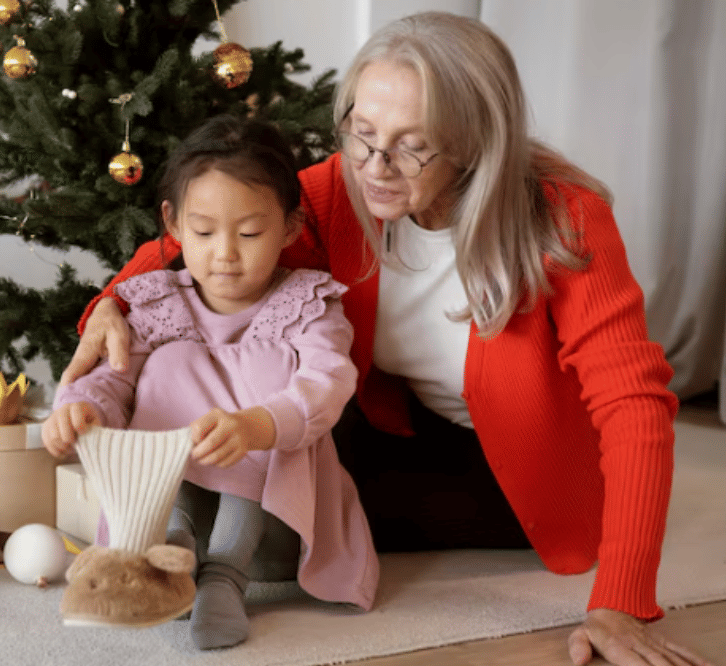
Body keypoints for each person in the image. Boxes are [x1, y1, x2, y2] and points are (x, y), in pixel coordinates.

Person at [58, 11, 713, 666]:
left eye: (411, 145)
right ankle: (172, 544)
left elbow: (634, 406)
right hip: (393, 432)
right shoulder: (340, 189)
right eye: (362, 133)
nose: (375, 166)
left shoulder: (564, 219)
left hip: (506, 473)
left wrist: (620, 601)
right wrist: (109, 305)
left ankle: (208, 554)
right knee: (222, 374)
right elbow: (188, 238)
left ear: (474, 141)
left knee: (288, 503)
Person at [44, 115, 379, 650]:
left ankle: (223, 575)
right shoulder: (156, 302)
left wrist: (256, 425)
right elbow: (110, 377)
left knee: (268, 371)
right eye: (203, 233)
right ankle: (171, 557)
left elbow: (328, 381)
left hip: (274, 520)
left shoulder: (310, 305)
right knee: (171, 364)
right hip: (178, 496)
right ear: (173, 225)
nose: (225, 253)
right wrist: (80, 409)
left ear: (290, 228)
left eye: (249, 233)